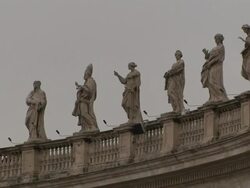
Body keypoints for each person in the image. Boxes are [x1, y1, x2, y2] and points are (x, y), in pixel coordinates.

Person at [201, 33, 228, 104]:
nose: (216, 40)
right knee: (210, 81)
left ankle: (220, 97)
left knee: (215, 81)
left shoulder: (221, 47)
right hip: (210, 67)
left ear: (220, 39)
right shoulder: (214, 48)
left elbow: (219, 57)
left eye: (217, 38)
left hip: (217, 66)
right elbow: (208, 57)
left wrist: (210, 63)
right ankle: (213, 97)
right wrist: (206, 54)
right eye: (215, 39)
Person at [72, 64, 99, 132]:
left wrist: (81, 87)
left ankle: (92, 125)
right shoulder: (86, 82)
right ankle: (85, 127)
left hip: (85, 101)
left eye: (85, 73)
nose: (84, 75)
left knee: (84, 113)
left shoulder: (91, 81)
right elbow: (86, 89)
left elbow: (89, 90)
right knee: (82, 114)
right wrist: (80, 88)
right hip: (81, 100)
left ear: (88, 73)